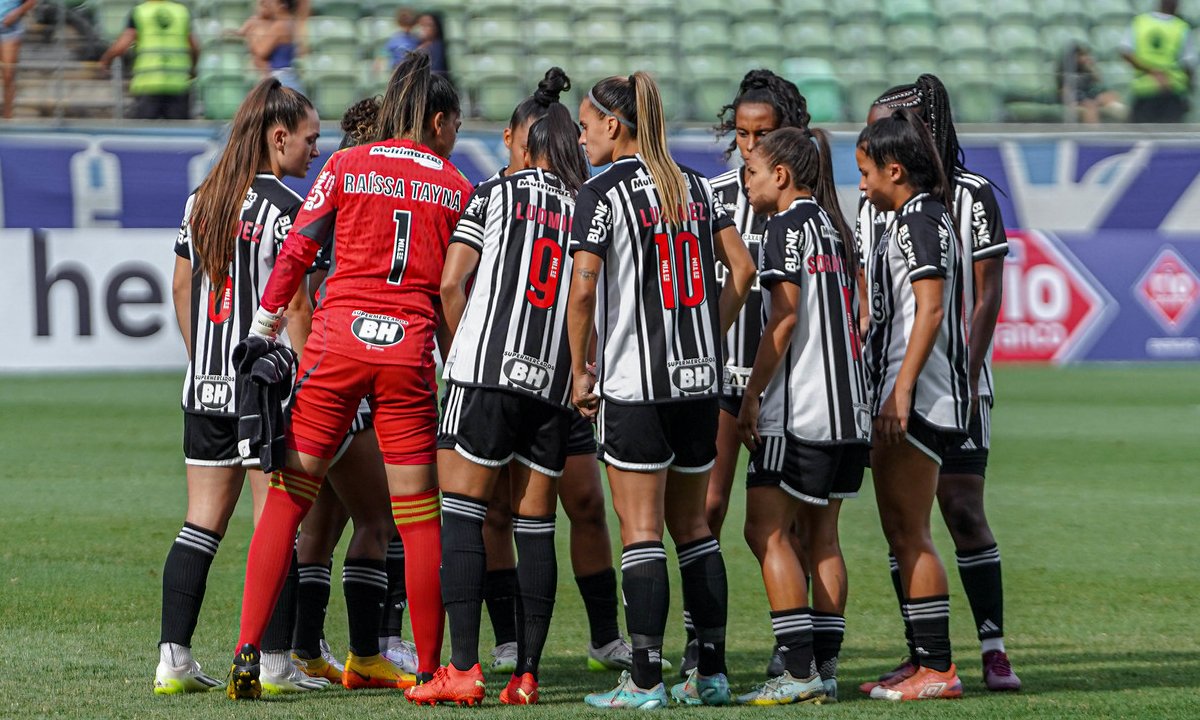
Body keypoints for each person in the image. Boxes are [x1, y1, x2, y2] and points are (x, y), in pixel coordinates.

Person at [226, 51, 473, 701]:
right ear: (438, 121)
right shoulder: (455, 187)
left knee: (287, 498)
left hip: (336, 344)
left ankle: (249, 651)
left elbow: (299, 248)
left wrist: (262, 330)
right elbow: (456, 285)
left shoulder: (343, 164)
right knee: (418, 519)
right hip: (407, 353)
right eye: (454, 126)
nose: (455, 138)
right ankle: (426, 670)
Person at [567, 72, 756, 709]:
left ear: (615, 126)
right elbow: (744, 270)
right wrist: (707, 331)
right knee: (695, 529)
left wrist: (579, 369)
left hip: (636, 386)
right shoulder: (696, 188)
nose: (581, 134)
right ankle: (712, 674)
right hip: (698, 384)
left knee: (642, 532)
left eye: (587, 124)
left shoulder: (602, 193)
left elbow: (585, 288)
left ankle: (644, 679)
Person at [405, 101, 591, 708]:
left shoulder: (493, 192)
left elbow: (451, 284)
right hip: (552, 386)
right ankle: (527, 675)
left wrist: (463, 352)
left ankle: (461, 668)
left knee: (463, 514)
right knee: (536, 525)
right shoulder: (588, 206)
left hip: (484, 375)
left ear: (529, 146)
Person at [157, 77, 320, 696]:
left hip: (206, 386)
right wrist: (302, 381)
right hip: (264, 393)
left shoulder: (203, 199)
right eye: (309, 138)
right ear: (278, 138)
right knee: (278, 524)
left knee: (200, 522)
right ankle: (276, 662)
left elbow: (180, 287)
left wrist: (204, 355)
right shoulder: (287, 210)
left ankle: (172, 659)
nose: (314, 150)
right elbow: (299, 306)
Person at [860, 75, 1021, 694]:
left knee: (957, 511)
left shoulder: (965, 198)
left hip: (942, 381)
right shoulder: (885, 204)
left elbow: (980, 298)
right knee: (907, 522)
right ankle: (923, 652)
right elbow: (879, 295)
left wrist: (966, 372)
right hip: (903, 376)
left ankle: (986, 649)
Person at [474, 67, 635, 678]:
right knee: (497, 510)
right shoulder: (491, 194)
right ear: (515, 136)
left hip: (567, 382)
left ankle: (603, 636)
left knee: (586, 503)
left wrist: (586, 362)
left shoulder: (582, 197)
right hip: (503, 377)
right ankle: (510, 640)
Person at [680, 68, 814, 678]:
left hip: (789, 383)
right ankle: (701, 648)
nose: (751, 147)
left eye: (764, 133)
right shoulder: (712, 196)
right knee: (705, 510)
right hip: (722, 376)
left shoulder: (808, 200)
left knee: (792, 526)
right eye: (741, 134)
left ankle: (799, 654)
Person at [734, 126, 869, 705]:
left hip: (800, 412)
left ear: (782, 176)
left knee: (763, 529)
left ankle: (796, 670)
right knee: (823, 538)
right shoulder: (830, 228)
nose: (747, 180)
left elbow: (783, 321)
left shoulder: (784, 227)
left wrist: (750, 393)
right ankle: (825, 669)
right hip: (849, 411)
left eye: (754, 172)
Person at [289, 96, 419, 689]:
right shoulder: (374, 188)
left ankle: (301, 643)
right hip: (350, 366)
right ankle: (375, 646)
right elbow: (309, 285)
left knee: (321, 519)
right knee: (381, 515)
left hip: (319, 364)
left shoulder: (336, 181)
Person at [855, 108, 970, 702]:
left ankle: (940, 669)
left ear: (895, 170)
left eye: (867, 172)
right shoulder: (918, 218)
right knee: (901, 532)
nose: (863, 185)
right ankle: (921, 657)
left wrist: (899, 390)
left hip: (920, 398)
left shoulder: (918, 223)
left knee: (912, 532)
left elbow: (928, 309)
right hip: (914, 392)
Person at [98, 0, 200, 120]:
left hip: (148, 84)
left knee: (145, 132)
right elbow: (195, 47)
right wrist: (192, 68)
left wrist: (106, 60)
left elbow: (122, 46)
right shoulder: (182, 12)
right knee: (178, 133)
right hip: (178, 83)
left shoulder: (139, 12)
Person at [1120, 0, 1196, 122]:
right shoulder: (1182, 27)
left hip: (1144, 86)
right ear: (1177, 5)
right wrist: (1188, 89)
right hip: (1172, 88)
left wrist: (1151, 71)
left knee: (1140, 134)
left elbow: (1126, 52)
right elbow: (1188, 62)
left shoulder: (1140, 22)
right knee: (1169, 136)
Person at [239, 0, 302, 93]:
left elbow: (261, 51)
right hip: (286, 76)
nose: (269, 3)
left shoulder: (280, 25)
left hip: (282, 79)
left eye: (273, 2)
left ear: (282, 5)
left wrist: (251, 32)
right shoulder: (290, 22)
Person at [1058, 43, 1126, 123]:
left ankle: (1124, 127)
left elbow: (1098, 83)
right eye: (1082, 55)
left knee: (1112, 95)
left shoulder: (1087, 69)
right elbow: (1066, 93)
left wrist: (1091, 67)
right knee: (1090, 106)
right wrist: (1082, 101)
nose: (1086, 58)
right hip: (1078, 100)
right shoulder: (1067, 72)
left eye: (1086, 55)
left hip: (1091, 96)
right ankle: (1093, 133)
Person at [0, 0, 35, 119]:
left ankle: (7, 115)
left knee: (8, 75)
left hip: (9, 29)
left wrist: (16, 13)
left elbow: (31, 1)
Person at [414, 12, 448, 77]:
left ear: (436, 28)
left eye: (428, 25)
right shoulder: (413, 44)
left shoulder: (438, 47)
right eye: (420, 24)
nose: (423, 29)